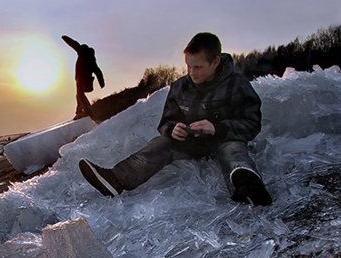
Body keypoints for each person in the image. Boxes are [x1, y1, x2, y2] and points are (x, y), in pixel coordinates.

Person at [78, 32, 272, 206]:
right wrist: (172, 129)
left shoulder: (237, 85)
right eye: (188, 66)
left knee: (233, 149)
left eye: (198, 67)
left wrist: (217, 128)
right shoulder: (180, 87)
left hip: (223, 139)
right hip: (192, 144)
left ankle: (246, 188)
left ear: (215, 62)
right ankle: (116, 179)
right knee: (160, 143)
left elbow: (252, 123)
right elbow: (167, 121)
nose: (192, 72)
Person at [62, 35, 105, 119]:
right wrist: (101, 82)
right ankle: (79, 112)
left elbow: (73, 43)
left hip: (81, 79)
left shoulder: (82, 52)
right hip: (87, 80)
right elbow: (97, 70)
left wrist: (64, 38)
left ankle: (88, 111)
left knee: (80, 94)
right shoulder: (92, 59)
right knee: (79, 95)